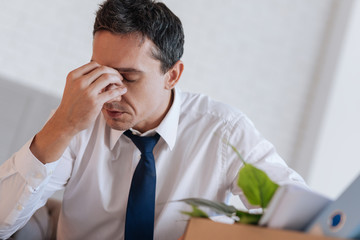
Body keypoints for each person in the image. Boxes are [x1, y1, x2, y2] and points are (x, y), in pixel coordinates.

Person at [0, 0, 307, 239]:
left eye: (128, 78)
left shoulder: (223, 131)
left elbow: (298, 213)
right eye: (99, 73)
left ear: (171, 75)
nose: (109, 92)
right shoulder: (76, 119)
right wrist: (62, 126)